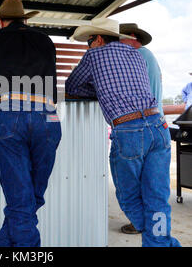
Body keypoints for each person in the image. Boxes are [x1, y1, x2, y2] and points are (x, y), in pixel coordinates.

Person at [65, 18, 180, 247]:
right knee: (157, 197)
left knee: (129, 198)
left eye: (89, 42)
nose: (88, 47)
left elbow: (72, 87)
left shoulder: (94, 56)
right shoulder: (136, 55)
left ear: (98, 39)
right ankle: (161, 242)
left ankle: (158, 242)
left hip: (129, 131)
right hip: (158, 126)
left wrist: (98, 90)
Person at [0, 0, 62, 247]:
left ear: (0, 22)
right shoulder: (45, 40)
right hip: (49, 115)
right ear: (26, 20)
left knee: (21, 201)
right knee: (31, 198)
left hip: (11, 112)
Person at [118, 23, 163, 234]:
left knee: (129, 184)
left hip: (139, 125)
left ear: (131, 37)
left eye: (117, 39)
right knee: (153, 185)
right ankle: (155, 228)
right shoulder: (148, 55)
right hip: (158, 123)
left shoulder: (134, 55)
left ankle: (140, 224)